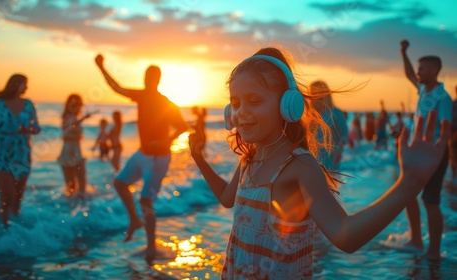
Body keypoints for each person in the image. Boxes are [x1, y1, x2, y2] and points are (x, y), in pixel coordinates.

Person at [189, 47, 450, 279]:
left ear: (287, 105)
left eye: (254, 101)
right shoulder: (250, 159)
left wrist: (410, 183)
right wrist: (199, 158)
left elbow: (346, 236)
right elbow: (227, 197)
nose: (241, 111)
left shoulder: (299, 166)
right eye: (235, 103)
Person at [95, 54, 189, 262]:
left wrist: (167, 141)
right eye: (146, 76)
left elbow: (183, 126)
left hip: (160, 159)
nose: (148, 80)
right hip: (142, 154)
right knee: (119, 183)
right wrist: (101, 67)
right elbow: (116, 88)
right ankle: (134, 220)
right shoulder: (142, 96)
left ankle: (151, 247)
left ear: (157, 80)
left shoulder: (166, 102)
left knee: (146, 200)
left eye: (151, 77)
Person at [400, 39, 452, 258]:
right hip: (417, 153)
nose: (418, 72)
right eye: (419, 68)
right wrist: (403, 52)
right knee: (407, 195)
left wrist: (437, 157)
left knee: (430, 201)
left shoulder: (444, 97)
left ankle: (433, 251)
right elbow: (409, 75)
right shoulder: (423, 90)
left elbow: (445, 129)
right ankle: (416, 240)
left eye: (422, 68)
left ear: (433, 70)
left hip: (435, 154)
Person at [0, 74, 41, 227]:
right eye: (24, 84)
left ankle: (15, 233)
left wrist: (29, 129)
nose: (26, 87)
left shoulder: (28, 104)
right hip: (0, 153)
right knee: (7, 197)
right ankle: (2, 228)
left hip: (22, 154)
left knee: (17, 198)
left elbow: (37, 128)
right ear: (16, 84)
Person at [58, 94, 91, 199]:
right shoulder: (67, 117)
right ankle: (76, 205)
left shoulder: (73, 117)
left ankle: (76, 204)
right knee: (75, 182)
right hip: (69, 150)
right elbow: (68, 127)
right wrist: (83, 118)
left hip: (73, 149)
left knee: (77, 182)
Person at [309, 80, 348, 170]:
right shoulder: (310, 115)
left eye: (319, 95)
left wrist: (339, 149)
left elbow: (344, 134)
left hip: (331, 157)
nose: (316, 98)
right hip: (313, 159)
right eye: (313, 94)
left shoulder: (336, 113)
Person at [449, 85, 457, 180]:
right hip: (452, 132)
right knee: (453, 154)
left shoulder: (453, 104)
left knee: (453, 153)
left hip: (454, 133)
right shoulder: (452, 104)